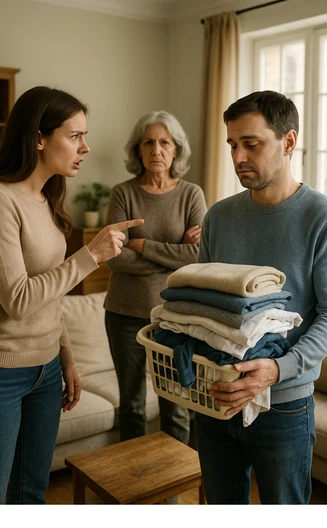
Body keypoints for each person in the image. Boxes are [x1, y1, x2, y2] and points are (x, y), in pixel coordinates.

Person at [0, 86, 144, 505]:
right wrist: (91, 256)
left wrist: (65, 359)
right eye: (75, 136)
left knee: (31, 493)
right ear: (38, 137)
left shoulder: (47, 197)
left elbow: (50, 297)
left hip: (47, 370)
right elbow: (18, 300)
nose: (85, 147)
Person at [194, 90, 327, 505]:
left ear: (288, 143)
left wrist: (277, 369)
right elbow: (199, 306)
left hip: (284, 405)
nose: (238, 157)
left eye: (251, 144)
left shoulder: (322, 217)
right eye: (233, 145)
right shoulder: (218, 216)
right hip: (215, 398)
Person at [104, 110, 207, 444]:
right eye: (148, 142)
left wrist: (143, 244)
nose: (156, 150)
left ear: (176, 150)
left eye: (165, 142)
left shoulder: (192, 194)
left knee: (176, 406)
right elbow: (115, 258)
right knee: (132, 407)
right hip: (123, 314)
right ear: (138, 149)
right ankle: (134, 487)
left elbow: (198, 257)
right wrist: (173, 252)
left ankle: (172, 495)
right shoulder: (123, 193)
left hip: (174, 319)